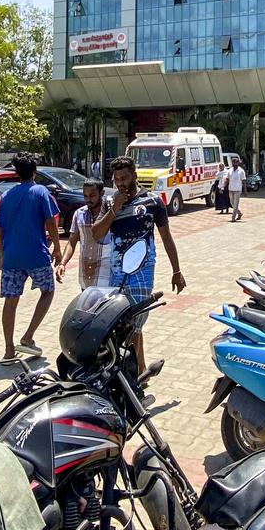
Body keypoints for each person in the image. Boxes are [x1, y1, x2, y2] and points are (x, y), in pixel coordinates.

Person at [90, 156, 186, 375]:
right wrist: (115, 208)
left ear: (134, 175)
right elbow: (96, 234)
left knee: (134, 324)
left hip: (142, 272)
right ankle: (140, 369)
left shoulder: (153, 201)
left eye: (124, 178)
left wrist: (177, 271)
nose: (120, 183)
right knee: (123, 323)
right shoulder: (109, 203)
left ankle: (134, 376)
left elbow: (167, 237)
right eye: (116, 179)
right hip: (116, 273)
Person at [0, 152, 62, 359]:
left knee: (11, 300)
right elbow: (51, 222)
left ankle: (8, 349)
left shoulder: (7, 196)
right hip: (36, 254)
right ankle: (28, 336)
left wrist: (1, 253)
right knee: (47, 291)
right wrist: (58, 249)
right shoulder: (40, 191)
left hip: (12, 256)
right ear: (34, 172)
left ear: (16, 173)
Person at [56, 179, 112, 289]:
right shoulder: (79, 214)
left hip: (106, 275)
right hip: (85, 275)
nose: (88, 199)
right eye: (85, 196)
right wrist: (62, 263)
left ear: (102, 193)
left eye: (92, 196)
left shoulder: (111, 215)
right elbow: (72, 242)